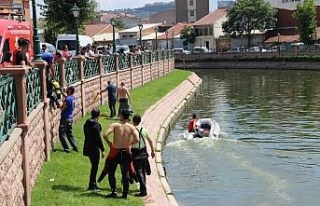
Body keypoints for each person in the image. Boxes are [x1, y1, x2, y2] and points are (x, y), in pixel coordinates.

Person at [103, 109, 139, 199]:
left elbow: (105, 135)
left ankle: (114, 191)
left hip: (116, 151)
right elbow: (137, 139)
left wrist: (109, 143)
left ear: (121, 116)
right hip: (125, 152)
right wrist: (129, 144)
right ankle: (125, 195)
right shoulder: (131, 127)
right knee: (125, 173)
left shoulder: (115, 125)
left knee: (111, 172)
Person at [131, 114, 155, 197]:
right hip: (144, 152)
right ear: (140, 121)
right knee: (143, 170)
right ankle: (143, 185)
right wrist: (152, 151)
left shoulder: (132, 130)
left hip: (135, 152)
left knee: (138, 171)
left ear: (133, 121)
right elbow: (150, 140)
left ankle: (143, 191)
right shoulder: (144, 130)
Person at [83, 109, 105, 192]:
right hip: (94, 148)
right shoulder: (96, 125)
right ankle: (92, 185)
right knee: (95, 167)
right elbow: (99, 139)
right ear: (98, 116)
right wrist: (102, 150)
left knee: (93, 166)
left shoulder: (86, 123)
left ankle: (94, 183)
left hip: (87, 146)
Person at [59, 85, 78, 153]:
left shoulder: (67, 99)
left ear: (70, 90)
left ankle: (66, 148)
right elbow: (67, 97)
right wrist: (62, 92)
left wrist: (59, 104)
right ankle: (75, 147)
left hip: (64, 118)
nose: (66, 90)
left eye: (67, 89)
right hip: (70, 118)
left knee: (62, 134)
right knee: (69, 134)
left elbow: (62, 108)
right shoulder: (72, 98)